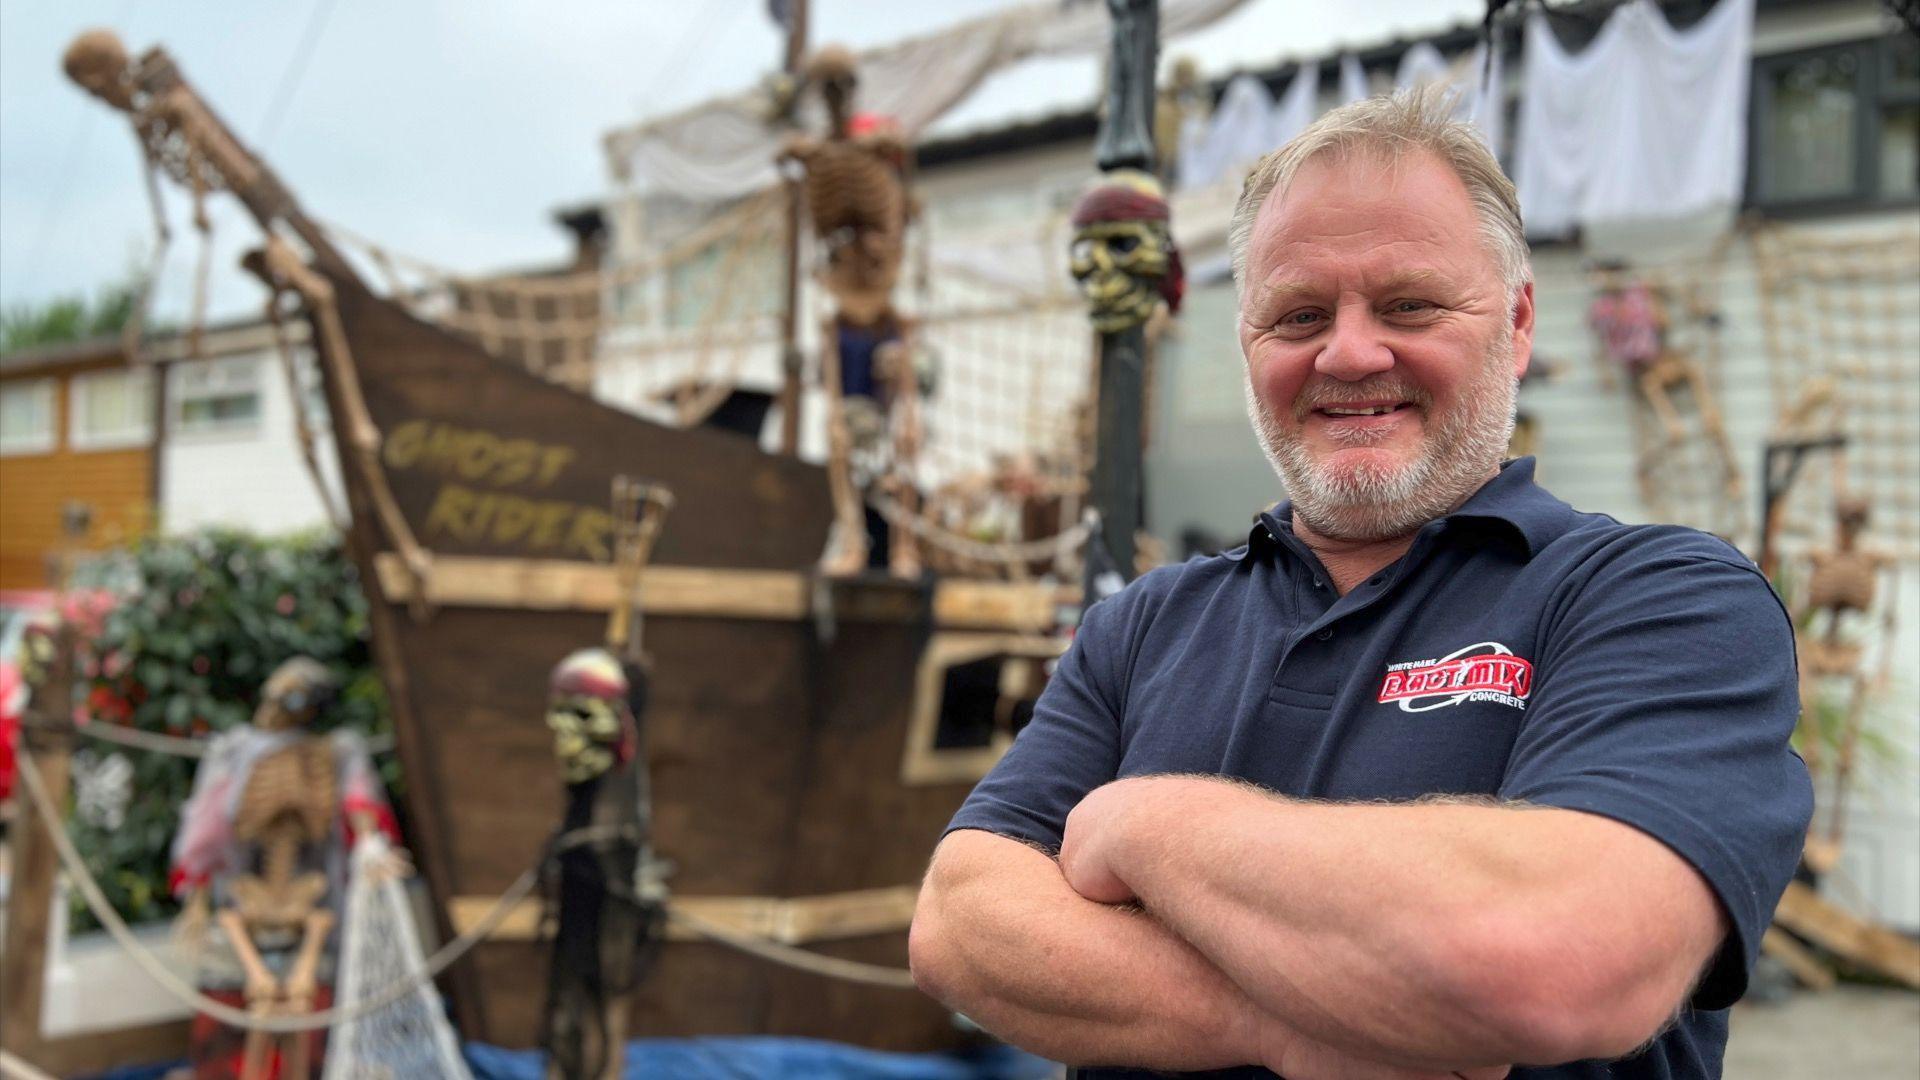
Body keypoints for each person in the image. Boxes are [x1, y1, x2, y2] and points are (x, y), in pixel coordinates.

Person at [908, 89, 1810, 1080]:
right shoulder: (1144, 624)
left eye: (1408, 305)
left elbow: (1559, 957)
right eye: (1298, 316)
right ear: (1248, 347)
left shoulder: (1660, 598)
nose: (1347, 352)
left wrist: (1140, 824)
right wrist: (1297, 1029)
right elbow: (961, 920)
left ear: (1514, 324)